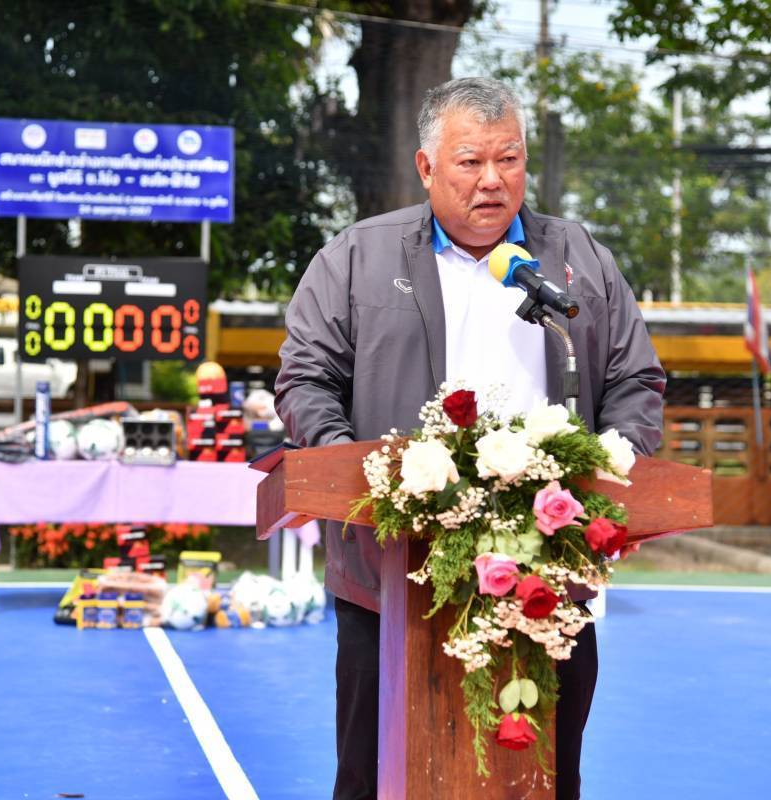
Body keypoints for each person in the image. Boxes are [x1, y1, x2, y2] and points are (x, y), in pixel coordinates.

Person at [274, 76, 665, 800]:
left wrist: (619, 462)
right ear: (426, 168)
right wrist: (360, 474)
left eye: (509, 159)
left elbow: (635, 381)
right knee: (370, 774)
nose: (493, 180)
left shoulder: (576, 260)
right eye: (471, 161)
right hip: (391, 569)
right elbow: (305, 379)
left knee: (547, 774)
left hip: (547, 568)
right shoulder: (358, 257)